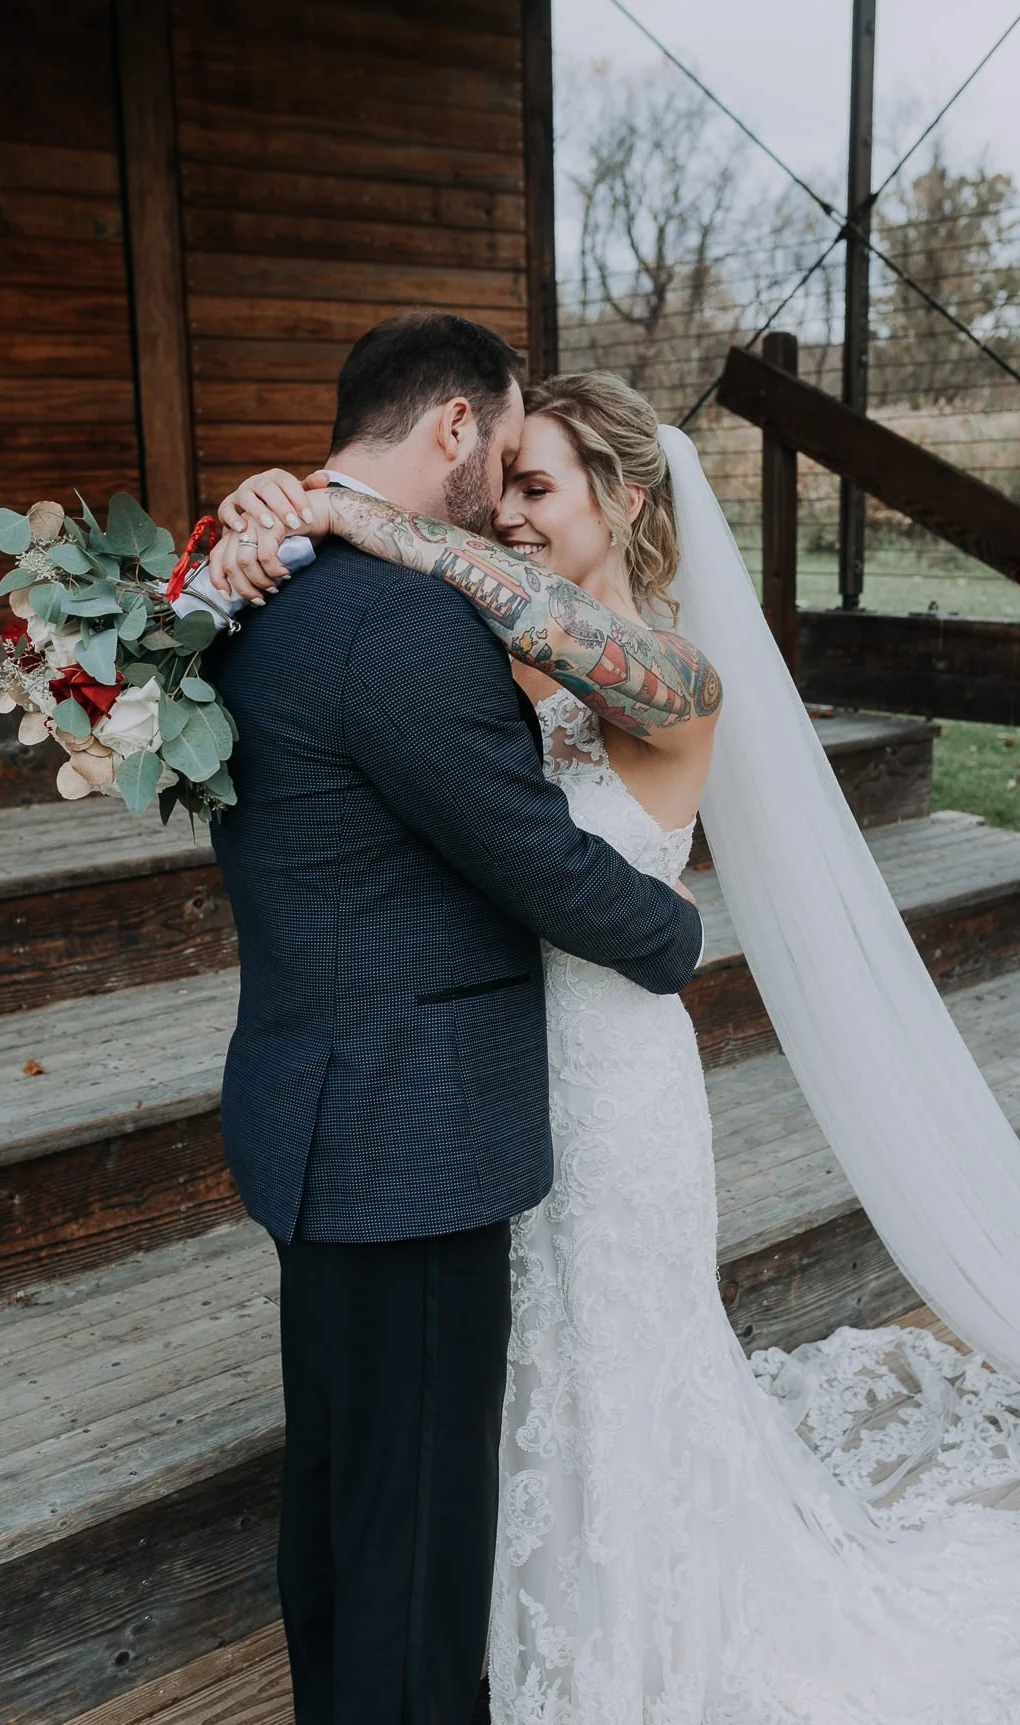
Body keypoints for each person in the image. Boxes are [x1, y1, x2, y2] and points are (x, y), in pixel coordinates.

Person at [214, 362, 1020, 1722]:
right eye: (502, 484)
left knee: (619, 1373)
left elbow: (577, 653)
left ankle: (635, 1643)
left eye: (539, 486)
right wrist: (285, 509)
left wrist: (397, 526)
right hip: (486, 1088)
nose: (510, 514)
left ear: (626, 497)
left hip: (614, 1084)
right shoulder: (478, 642)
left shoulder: (674, 675)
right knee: (513, 1386)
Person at [203, 314, 706, 1725]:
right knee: (414, 1547)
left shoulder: (254, 579)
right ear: (454, 430)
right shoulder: (405, 622)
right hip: (412, 1138)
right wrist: (676, 938)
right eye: (507, 450)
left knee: (342, 1502)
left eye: (547, 482)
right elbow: (535, 859)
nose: (507, 492)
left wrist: (308, 510)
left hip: (318, 1108)